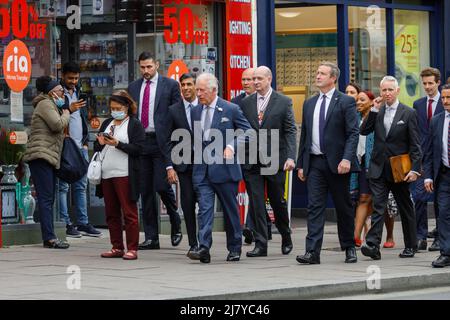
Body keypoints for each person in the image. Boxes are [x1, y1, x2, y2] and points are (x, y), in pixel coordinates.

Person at [296, 62, 360, 264]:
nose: (317, 76)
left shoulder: (345, 102)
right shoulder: (309, 103)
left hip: (339, 164)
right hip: (315, 163)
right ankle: (312, 252)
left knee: (343, 207)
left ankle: (349, 247)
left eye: (322, 73)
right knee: (314, 207)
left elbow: (353, 133)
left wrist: (347, 158)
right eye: (317, 73)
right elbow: (304, 136)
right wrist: (301, 164)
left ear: (333, 78)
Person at [187, 73, 253, 263]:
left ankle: (234, 247)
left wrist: (232, 146)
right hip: (203, 169)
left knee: (230, 210)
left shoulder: (230, 109)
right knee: (205, 209)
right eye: (197, 90)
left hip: (224, 169)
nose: (197, 94)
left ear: (214, 90)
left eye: (201, 90)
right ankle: (204, 247)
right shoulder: (196, 111)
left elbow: (248, 131)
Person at [360, 76, 421, 260]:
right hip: (378, 167)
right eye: (384, 90)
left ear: (397, 91)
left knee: (405, 207)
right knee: (379, 205)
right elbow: (364, 130)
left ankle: (411, 244)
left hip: (400, 168)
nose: (387, 93)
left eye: (390, 90)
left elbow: (415, 145)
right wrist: (373, 110)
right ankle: (372, 245)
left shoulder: (408, 113)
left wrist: (415, 169)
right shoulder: (377, 111)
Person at [128, 52, 183, 250]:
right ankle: (152, 237)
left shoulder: (169, 85)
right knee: (146, 191)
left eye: (149, 67)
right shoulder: (133, 87)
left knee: (161, 185)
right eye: (142, 67)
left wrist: (176, 142)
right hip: (142, 142)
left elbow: (177, 113)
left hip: (162, 143)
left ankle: (175, 219)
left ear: (157, 65)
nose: (146, 71)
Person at [239, 66, 296, 257]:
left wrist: (290, 156)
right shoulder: (246, 103)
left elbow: (290, 130)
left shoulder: (283, 102)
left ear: (269, 79)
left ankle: (285, 234)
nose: (255, 82)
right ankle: (261, 243)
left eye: (259, 78)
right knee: (256, 202)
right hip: (251, 160)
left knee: (277, 201)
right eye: (253, 78)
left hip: (275, 159)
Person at [95, 90, 145, 260]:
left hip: (125, 173)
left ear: (127, 107)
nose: (114, 110)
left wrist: (118, 144)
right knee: (111, 212)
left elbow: (139, 149)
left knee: (129, 212)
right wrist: (100, 143)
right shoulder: (108, 123)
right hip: (107, 173)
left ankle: (132, 248)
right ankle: (117, 246)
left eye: (118, 107)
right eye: (112, 108)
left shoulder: (134, 124)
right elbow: (98, 148)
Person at [23, 76, 71, 249]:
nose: (63, 93)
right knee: (45, 198)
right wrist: (66, 113)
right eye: (60, 91)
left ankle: (49, 236)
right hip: (41, 156)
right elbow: (57, 125)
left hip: (47, 156)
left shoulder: (49, 104)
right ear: (53, 93)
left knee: (48, 198)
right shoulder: (45, 104)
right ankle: (49, 238)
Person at [58, 62, 102, 238]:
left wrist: (85, 142)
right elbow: (56, 116)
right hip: (64, 146)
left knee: (81, 186)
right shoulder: (58, 92)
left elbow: (83, 118)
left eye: (76, 78)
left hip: (80, 146)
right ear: (63, 76)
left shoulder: (79, 92)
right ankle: (66, 222)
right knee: (62, 187)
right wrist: (69, 108)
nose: (73, 81)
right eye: (70, 78)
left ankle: (83, 223)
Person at [231, 67, 272, 244]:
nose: (248, 83)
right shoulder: (236, 102)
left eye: (251, 79)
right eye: (245, 80)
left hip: (268, 154)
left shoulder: (268, 101)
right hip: (245, 154)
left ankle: (257, 226)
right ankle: (254, 226)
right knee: (253, 193)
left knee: (266, 195)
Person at [166, 73, 199, 256]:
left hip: (204, 164)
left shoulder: (204, 106)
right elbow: (168, 140)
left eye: (189, 84)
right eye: (183, 85)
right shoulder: (174, 110)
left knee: (206, 203)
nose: (186, 88)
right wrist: (169, 166)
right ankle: (193, 243)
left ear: (196, 86)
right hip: (184, 166)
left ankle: (204, 240)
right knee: (187, 204)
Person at [412, 67, 443, 252]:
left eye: (431, 83)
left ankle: (439, 236)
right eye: (424, 83)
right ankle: (420, 236)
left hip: (441, 158)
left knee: (441, 199)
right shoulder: (418, 104)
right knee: (419, 198)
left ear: (438, 83)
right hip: (422, 157)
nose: (428, 87)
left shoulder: (445, 102)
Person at [424, 84, 450, 267]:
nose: (446, 101)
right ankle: (446, 253)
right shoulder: (437, 120)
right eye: (444, 98)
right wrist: (427, 176)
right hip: (444, 175)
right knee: (443, 215)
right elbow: (430, 151)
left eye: (449, 98)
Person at [351, 90, 375, 247]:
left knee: (378, 202)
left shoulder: (376, 117)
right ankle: (356, 235)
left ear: (371, 102)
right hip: (360, 163)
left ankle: (380, 234)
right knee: (363, 198)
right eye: (357, 100)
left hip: (375, 162)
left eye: (362, 100)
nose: (358, 102)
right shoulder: (354, 119)